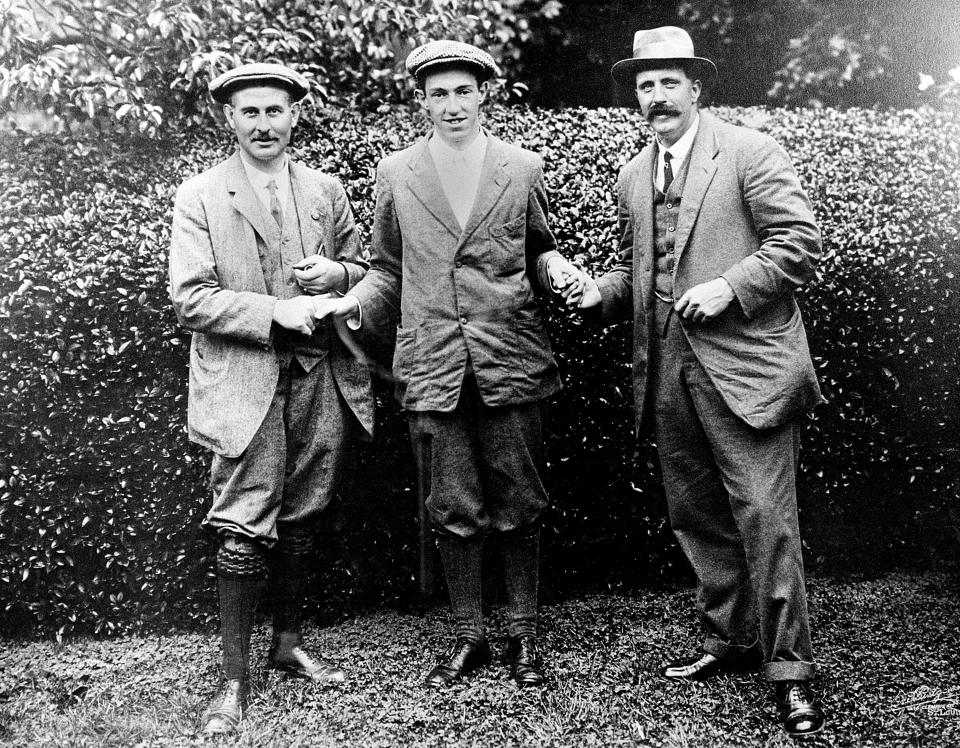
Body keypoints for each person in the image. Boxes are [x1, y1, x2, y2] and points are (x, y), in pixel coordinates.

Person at [576, 27, 827, 737]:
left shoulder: (749, 152)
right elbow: (642, 273)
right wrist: (600, 294)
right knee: (698, 518)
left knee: (767, 521)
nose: (655, 97)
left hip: (748, 370)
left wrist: (729, 286)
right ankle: (733, 641)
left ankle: (791, 674)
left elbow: (800, 243)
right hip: (666, 373)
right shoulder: (633, 174)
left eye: (667, 82)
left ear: (696, 88)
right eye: (644, 85)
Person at [315, 40, 582, 688]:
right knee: (452, 506)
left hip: (511, 359)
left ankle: (522, 637)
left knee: (520, 502)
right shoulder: (397, 173)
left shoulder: (521, 167)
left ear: (484, 94)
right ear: (423, 100)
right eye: (440, 93)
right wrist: (347, 301)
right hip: (434, 365)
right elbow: (387, 270)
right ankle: (470, 638)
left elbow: (539, 252)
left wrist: (562, 272)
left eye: (464, 91)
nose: (453, 104)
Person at [168, 62, 373, 734]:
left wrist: (337, 273)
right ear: (228, 118)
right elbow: (190, 298)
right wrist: (275, 311)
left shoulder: (324, 189)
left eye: (276, 111)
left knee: (305, 512)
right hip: (245, 380)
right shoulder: (201, 194)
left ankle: (287, 645)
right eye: (250, 112)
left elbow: (365, 272)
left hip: (320, 378)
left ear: (295, 115)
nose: (264, 124)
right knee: (242, 521)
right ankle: (232, 682)